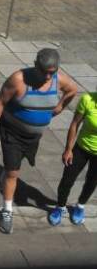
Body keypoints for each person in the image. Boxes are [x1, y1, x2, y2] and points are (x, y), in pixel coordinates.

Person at [0, 48, 77, 234]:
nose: (47, 76)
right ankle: (7, 210)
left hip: (34, 136)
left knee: (14, 167)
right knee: (13, 173)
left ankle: (4, 176)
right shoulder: (18, 80)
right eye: (43, 71)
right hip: (12, 133)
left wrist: (60, 107)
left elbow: (73, 89)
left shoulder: (58, 80)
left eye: (51, 72)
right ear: (35, 65)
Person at [48, 91, 97, 226]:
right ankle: (60, 207)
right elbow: (75, 124)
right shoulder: (87, 99)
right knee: (67, 180)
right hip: (81, 148)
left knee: (92, 181)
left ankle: (80, 206)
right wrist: (68, 149)